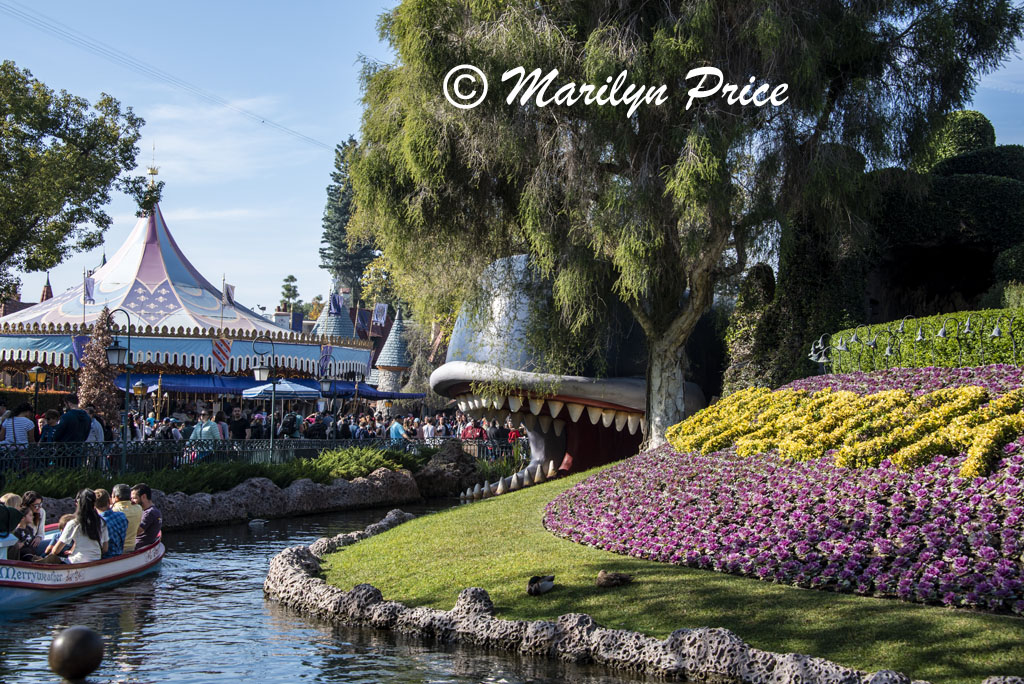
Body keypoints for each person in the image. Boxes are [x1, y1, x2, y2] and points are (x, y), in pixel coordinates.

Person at [45, 489, 108, 564]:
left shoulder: (73, 523)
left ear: (78, 503)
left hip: (76, 562)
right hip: (96, 560)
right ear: (94, 503)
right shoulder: (101, 522)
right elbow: (105, 549)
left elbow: (56, 550)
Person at [94, 488, 127, 558]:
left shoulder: (98, 523)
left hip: (105, 558)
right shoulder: (122, 516)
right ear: (109, 501)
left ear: (94, 505)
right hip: (120, 555)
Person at [111, 484, 143, 552]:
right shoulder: (139, 508)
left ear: (116, 498)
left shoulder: (112, 511)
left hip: (116, 550)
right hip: (131, 548)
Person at [131, 483, 162, 549]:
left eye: (134, 498)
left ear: (143, 497)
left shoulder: (150, 513)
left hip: (138, 547)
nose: (132, 501)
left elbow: (136, 531)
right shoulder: (155, 510)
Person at [20, 490, 46, 555]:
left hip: (34, 542)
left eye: (40, 504)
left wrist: (39, 537)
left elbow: (41, 532)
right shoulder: (22, 515)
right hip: (26, 545)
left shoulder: (41, 512)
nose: (39, 507)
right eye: (36, 505)